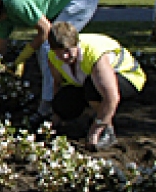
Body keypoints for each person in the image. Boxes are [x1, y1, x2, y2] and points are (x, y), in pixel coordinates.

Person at [45, 22, 146, 150]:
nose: (64, 56)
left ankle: (107, 130)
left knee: (92, 89)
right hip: (88, 81)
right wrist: (56, 115)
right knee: (63, 104)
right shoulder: (53, 57)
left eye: (67, 51)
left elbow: (112, 97)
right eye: (59, 53)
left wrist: (95, 130)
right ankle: (92, 115)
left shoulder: (95, 54)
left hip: (128, 78)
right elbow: (58, 83)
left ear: (76, 44)